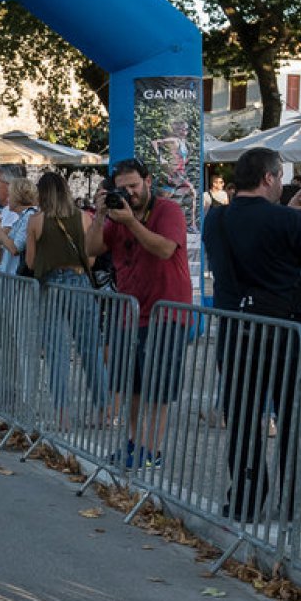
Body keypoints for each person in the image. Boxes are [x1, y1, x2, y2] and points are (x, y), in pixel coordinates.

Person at [202, 147, 301, 524]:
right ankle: (294, 500)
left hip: (236, 329)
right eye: (279, 177)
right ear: (268, 177)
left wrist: (287, 213)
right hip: (284, 332)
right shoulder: (284, 221)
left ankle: (245, 498)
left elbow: (256, 236)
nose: (280, 183)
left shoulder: (217, 218)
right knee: (296, 418)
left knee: (243, 417)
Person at [84, 158, 192, 468]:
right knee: (130, 386)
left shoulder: (167, 211)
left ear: (147, 181)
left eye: (133, 185)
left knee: (157, 388)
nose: (129, 193)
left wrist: (131, 222)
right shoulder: (117, 215)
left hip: (166, 311)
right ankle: (134, 443)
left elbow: (164, 249)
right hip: (130, 312)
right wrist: (100, 215)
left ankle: (151, 451)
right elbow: (91, 250)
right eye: (122, 188)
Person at [25, 173, 107, 425]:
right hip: (80, 283)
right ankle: (103, 411)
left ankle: (62, 415)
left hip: (51, 286)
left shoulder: (36, 221)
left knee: (56, 353)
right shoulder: (84, 218)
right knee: (90, 349)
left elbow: (30, 262)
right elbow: (91, 258)